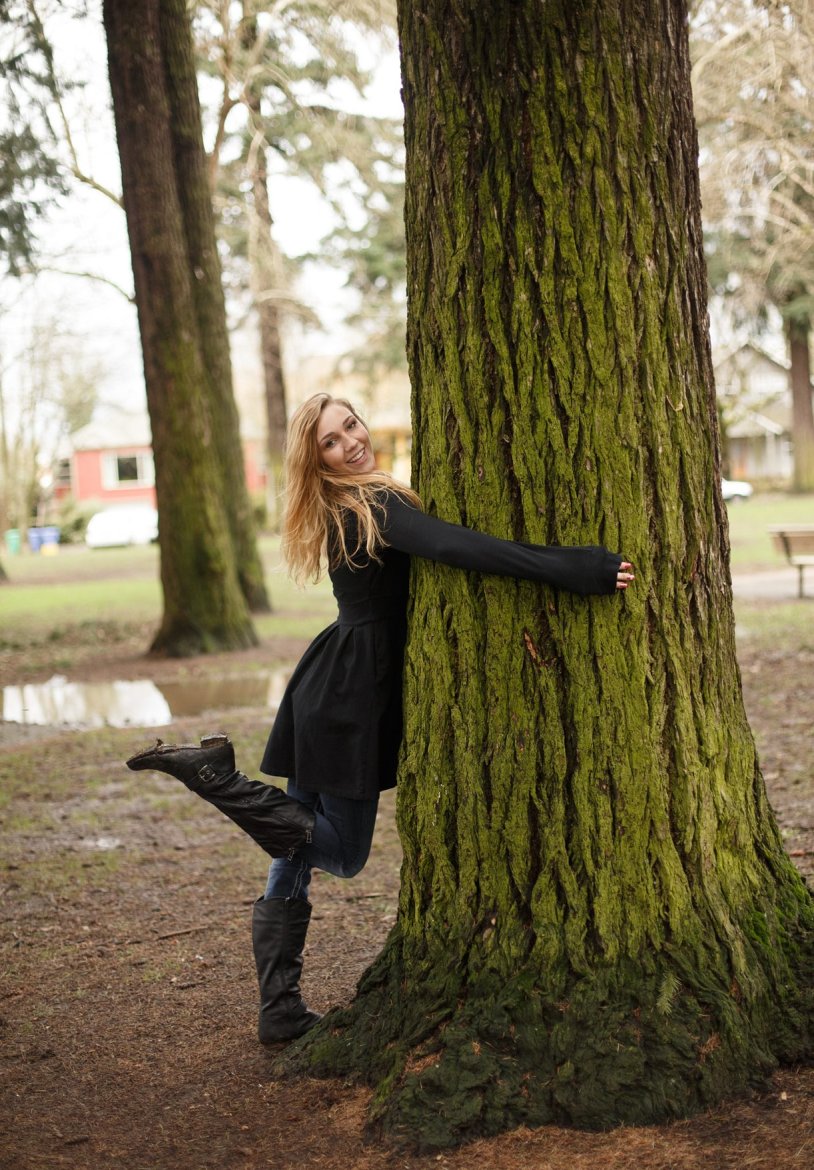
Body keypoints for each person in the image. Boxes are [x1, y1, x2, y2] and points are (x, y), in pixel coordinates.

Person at [127, 393, 634, 1045]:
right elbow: (461, 548)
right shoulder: (371, 506)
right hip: (350, 696)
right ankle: (216, 778)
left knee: (293, 846)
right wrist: (572, 567)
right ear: (318, 462)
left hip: (328, 679)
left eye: (350, 426)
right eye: (331, 443)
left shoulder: (348, 504)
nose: (350, 442)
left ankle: (278, 1007)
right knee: (341, 852)